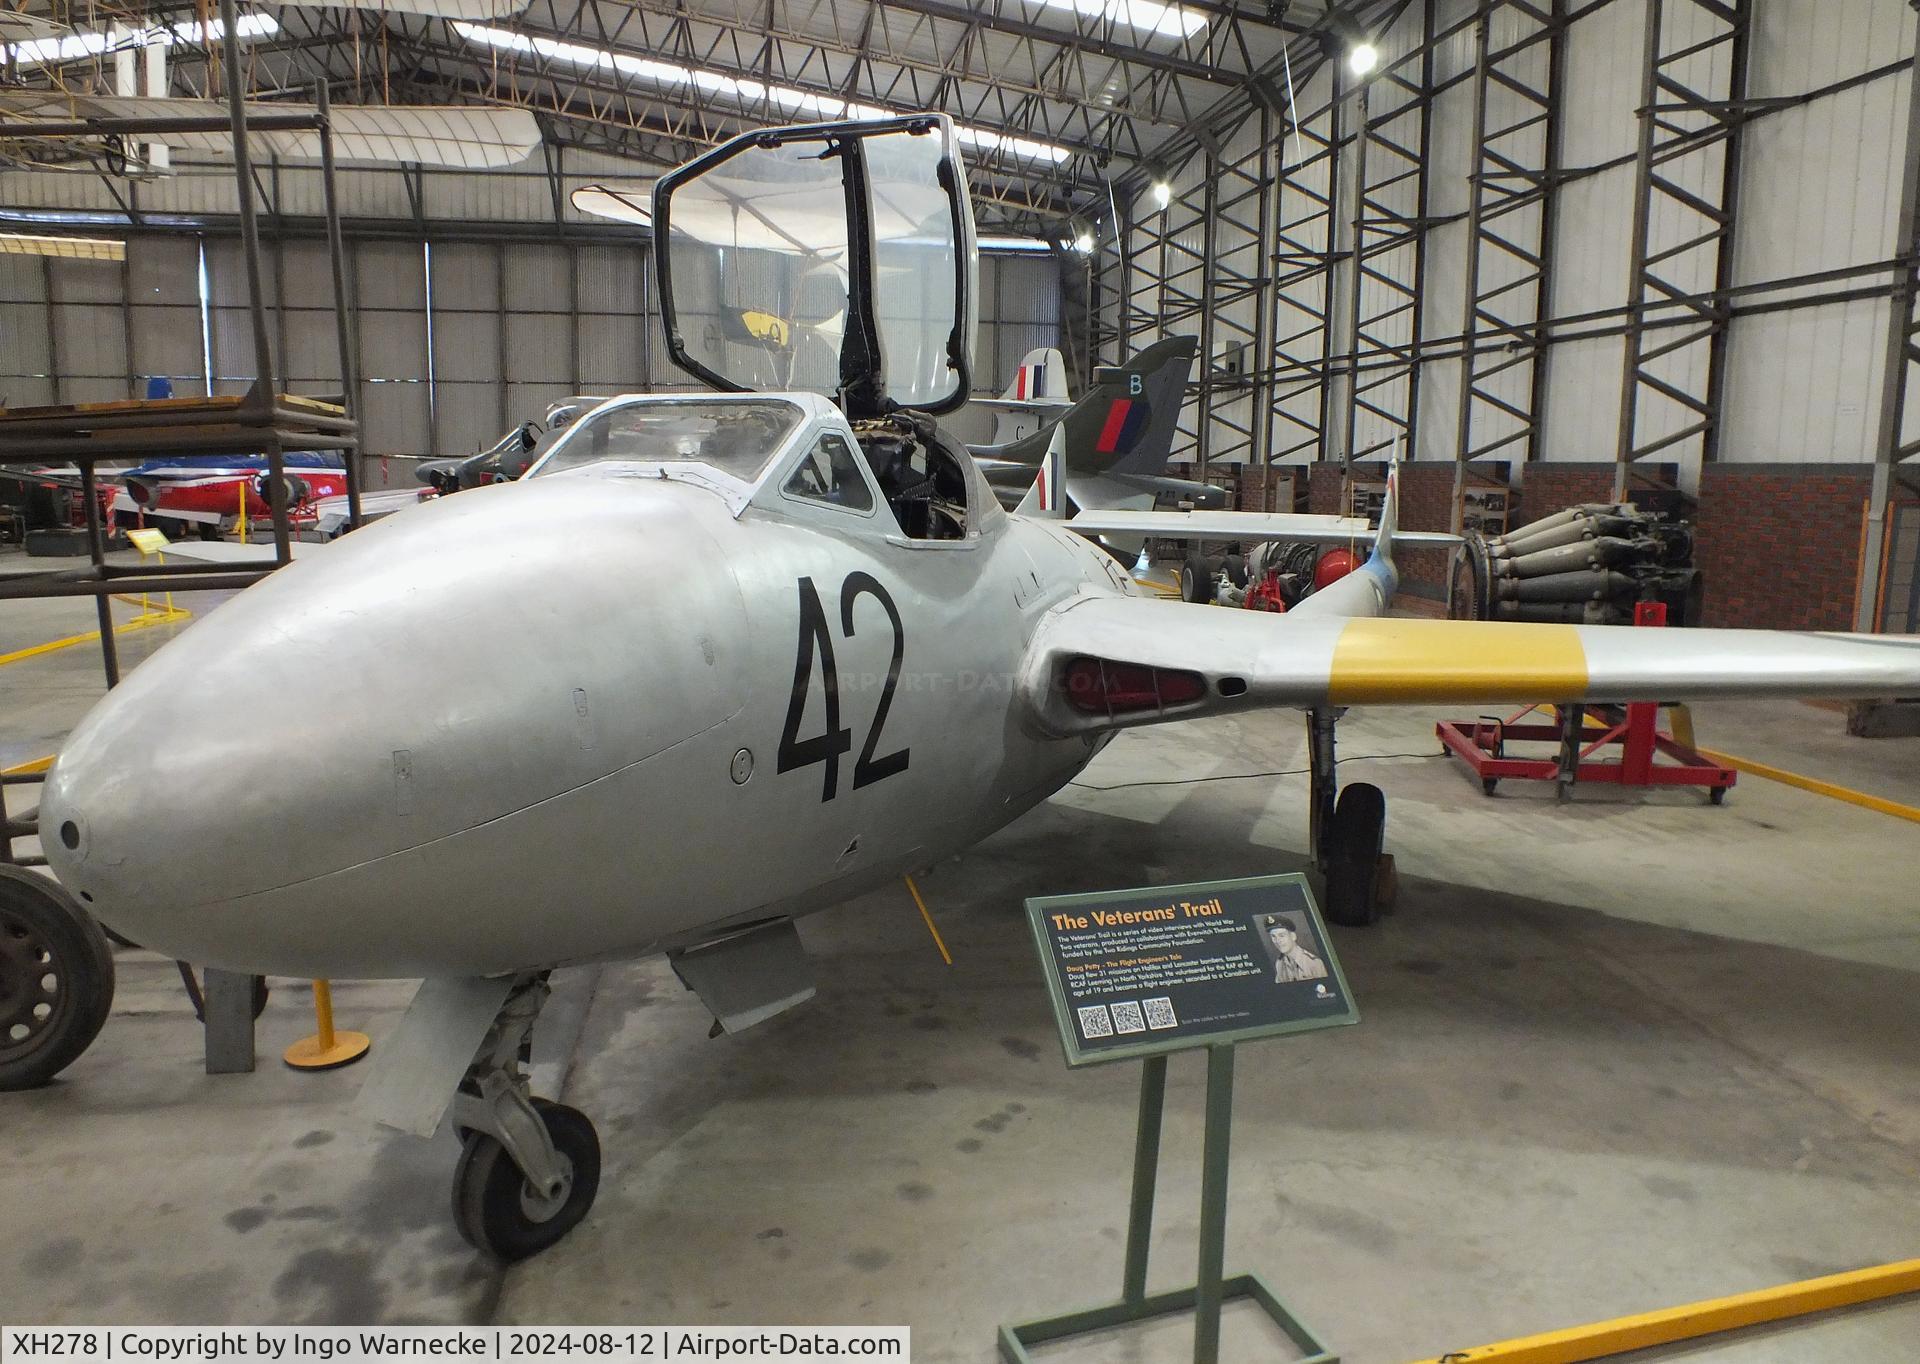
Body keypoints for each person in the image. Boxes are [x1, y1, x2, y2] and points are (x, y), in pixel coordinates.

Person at [1265, 914, 1327, 983]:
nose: (1278, 941)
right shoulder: (1279, 963)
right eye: (1273, 937)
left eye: (1282, 935)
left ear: (1293, 936)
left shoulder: (1314, 963)